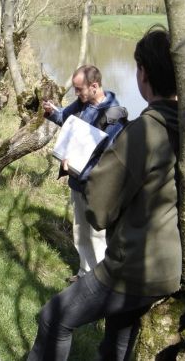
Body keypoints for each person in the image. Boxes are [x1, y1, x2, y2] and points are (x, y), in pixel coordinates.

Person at [28, 27, 185, 360]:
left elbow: (98, 211)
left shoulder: (143, 133)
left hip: (133, 268)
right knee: (116, 344)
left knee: (53, 319)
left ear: (143, 73)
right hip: (170, 269)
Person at [42, 65, 127, 279]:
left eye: (79, 89)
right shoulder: (83, 103)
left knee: (97, 234)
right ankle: (84, 272)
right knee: (80, 228)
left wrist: (75, 168)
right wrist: (53, 113)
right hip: (77, 182)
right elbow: (65, 119)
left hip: (98, 186)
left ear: (95, 86)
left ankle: (99, 281)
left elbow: (107, 158)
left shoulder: (114, 116)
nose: (76, 94)